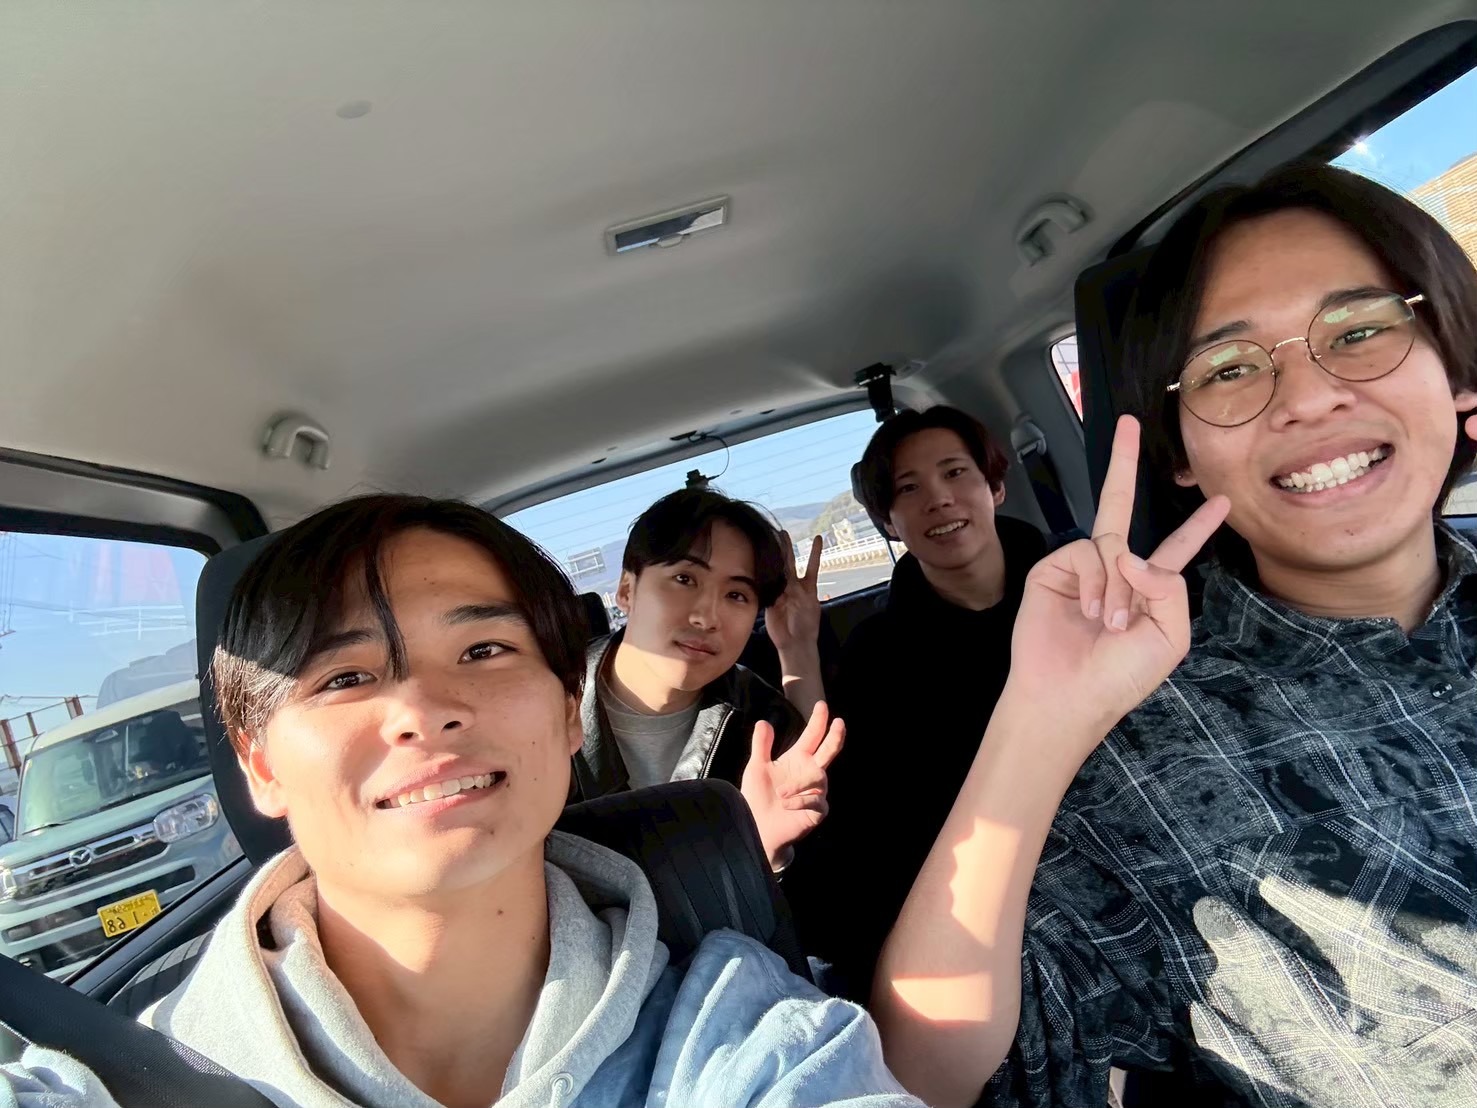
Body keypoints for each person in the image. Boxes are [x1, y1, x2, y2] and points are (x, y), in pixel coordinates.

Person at [871, 163, 1477, 1108]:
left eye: (1358, 332)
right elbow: (923, 1078)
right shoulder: (1150, 759)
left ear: (1455, 371)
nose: (1307, 396)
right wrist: (1038, 724)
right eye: (1230, 369)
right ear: (1178, 453)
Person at [1, 495, 918, 1108]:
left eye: (482, 652)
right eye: (344, 676)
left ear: (561, 710)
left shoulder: (747, 1036)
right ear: (259, 764)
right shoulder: (123, 1079)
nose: (422, 710)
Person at [783, 406, 1046, 1001]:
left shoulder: (1081, 592)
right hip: (988, 899)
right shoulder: (876, 657)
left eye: (955, 473)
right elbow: (859, 815)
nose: (939, 499)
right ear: (890, 522)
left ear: (995, 486)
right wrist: (796, 649)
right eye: (909, 488)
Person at [574, 487, 842, 872]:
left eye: (736, 595)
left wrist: (767, 855)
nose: (706, 617)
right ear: (627, 590)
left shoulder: (762, 719)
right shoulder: (538, 708)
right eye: (684, 579)